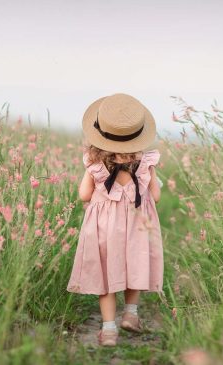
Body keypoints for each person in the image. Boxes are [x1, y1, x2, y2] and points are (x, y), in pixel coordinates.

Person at [66, 93, 164, 347]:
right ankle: (131, 314)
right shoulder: (146, 162)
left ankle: (108, 330)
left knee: (106, 274)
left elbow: (84, 195)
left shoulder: (94, 163)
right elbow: (156, 195)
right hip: (137, 223)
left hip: (104, 226)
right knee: (136, 264)